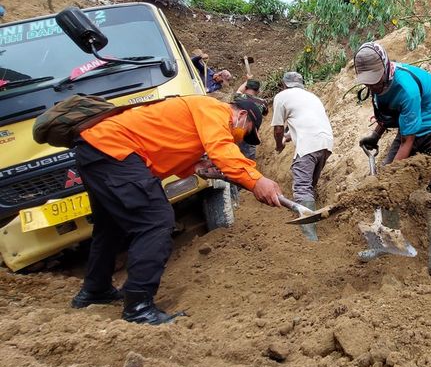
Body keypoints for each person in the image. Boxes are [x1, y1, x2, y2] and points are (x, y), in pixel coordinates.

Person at [70, 96, 282, 325]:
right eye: (245, 133)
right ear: (241, 115)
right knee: (156, 221)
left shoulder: (201, 114)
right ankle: (138, 308)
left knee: (109, 226)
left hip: (98, 149)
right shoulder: (216, 110)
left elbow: (170, 153)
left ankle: (95, 290)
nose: (238, 139)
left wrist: (196, 166)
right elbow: (222, 150)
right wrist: (256, 180)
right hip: (114, 150)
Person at [355, 41, 431, 282]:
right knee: (385, 187)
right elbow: (392, 113)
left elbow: (407, 141)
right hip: (409, 129)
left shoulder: (406, 87)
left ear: (385, 66)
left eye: (375, 80)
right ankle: (387, 244)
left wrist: (389, 176)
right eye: (368, 81)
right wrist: (375, 135)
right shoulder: (379, 86)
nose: (373, 85)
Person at [272, 71, 333, 241]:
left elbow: (277, 128)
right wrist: (287, 137)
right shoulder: (311, 97)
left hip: (308, 145)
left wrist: (279, 144)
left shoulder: (282, 96)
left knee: (302, 188)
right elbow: (306, 124)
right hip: (326, 143)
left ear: (284, 84)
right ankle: (312, 221)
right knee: (309, 186)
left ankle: (309, 238)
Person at [233, 77, 268, 160]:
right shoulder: (263, 102)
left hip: (236, 130)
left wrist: (247, 80)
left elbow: (239, 90)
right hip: (251, 133)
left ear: (246, 88)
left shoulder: (239, 97)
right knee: (249, 158)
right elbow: (265, 113)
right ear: (258, 90)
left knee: (235, 154)